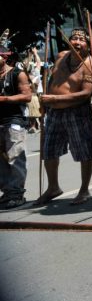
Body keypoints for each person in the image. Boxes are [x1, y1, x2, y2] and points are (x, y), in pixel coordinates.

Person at [35, 28, 92, 205]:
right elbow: (52, 79)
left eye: (81, 39)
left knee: (84, 151)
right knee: (49, 150)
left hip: (77, 112)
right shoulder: (61, 56)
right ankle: (53, 187)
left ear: (88, 45)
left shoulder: (90, 64)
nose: (77, 42)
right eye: (74, 38)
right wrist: (45, 100)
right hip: (53, 111)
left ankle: (84, 190)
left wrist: (56, 98)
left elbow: (86, 93)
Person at [0, 46, 32, 209]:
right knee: (1, 160)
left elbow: (27, 96)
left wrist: (4, 99)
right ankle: (8, 192)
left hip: (14, 121)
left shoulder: (17, 73)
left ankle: (17, 194)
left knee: (15, 157)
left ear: (4, 57)